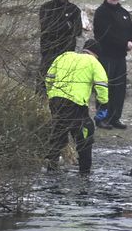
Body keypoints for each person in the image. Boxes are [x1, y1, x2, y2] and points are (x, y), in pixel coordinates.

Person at [44, 39, 109, 174]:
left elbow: (49, 77)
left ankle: (51, 166)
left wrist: (51, 95)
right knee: (85, 133)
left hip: (56, 101)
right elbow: (102, 85)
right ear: (96, 54)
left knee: (58, 131)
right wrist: (103, 103)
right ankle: (85, 171)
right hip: (76, 103)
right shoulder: (93, 62)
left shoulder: (64, 56)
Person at [93, 0, 132, 130]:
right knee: (105, 88)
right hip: (106, 55)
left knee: (119, 90)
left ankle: (115, 117)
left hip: (120, 57)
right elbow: (104, 35)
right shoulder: (101, 12)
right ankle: (101, 118)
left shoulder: (123, 12)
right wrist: (124, 44)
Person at [39, 0, 83, 93]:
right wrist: (67, 25)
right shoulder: (46, 8)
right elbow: (47, 29)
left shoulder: (74, 9)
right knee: (43, 81)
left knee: (64, 83)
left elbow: (78, 31)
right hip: (49, 51)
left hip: (67, 52)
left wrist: (63, 27)